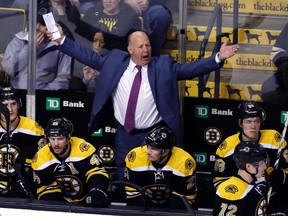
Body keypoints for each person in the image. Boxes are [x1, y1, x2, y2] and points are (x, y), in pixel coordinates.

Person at [50, 24, 239, 180]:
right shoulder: (115, 60)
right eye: (140, 47)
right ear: (130, 49)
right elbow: (87, 56)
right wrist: (61, 40)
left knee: (151, 180)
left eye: (147, 45)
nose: (146, 50)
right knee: (125, 179)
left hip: (154, 136)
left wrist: (218, 57)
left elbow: (190, 69)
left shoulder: (164, 65)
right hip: (124, 134)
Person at [213, 101, 288, 215]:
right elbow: (219, 181)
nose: (253, 126)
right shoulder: (227, 147)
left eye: (256, 121)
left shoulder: (274, 139)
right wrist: (250, 191)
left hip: (273, 196)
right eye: (248, 122)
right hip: (242, 197)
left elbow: (286, 172)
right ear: (240, 123)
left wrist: (280, 177)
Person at [32, 117, 110, 207]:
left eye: (60, 139)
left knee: (99, 198)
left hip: (88, 199)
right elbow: (45, 189)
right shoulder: (41, 158)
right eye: (52, 139)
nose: (56, 144)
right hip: (63, 202)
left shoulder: (82, 149)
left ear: (68, 138)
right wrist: (58, 207)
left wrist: (96, 189)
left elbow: (97, 173)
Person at [124, 126, 196, 209]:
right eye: (147, 146)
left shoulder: (184, 162)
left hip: (174, 208)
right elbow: (134, 196)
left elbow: (184, 199)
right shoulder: (135, 157)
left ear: (165, 151)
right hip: (143, 206)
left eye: (153, 149)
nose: (148, 151)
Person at [1, 11, 72, 90]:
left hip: (46, 94)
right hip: (18, 91)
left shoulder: (61, 45)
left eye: (42, 24)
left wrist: (44, 93)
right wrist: (29, 49)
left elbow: (63, 78)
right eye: (36, 23)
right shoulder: (20, 40)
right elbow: (8, 68)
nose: (38, 27)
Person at [0, 86, 44, 198]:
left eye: (13, 104)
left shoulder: (33, 130)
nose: (10, 109)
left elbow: (39, 166)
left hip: (21, 187)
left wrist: (19, 188)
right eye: (5, 105)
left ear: (19, 104)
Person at [213, 141, 269, 215]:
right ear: (248, 167)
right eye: (261, 163)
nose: (265, 167)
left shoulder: (224, 186)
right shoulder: (242, 192)